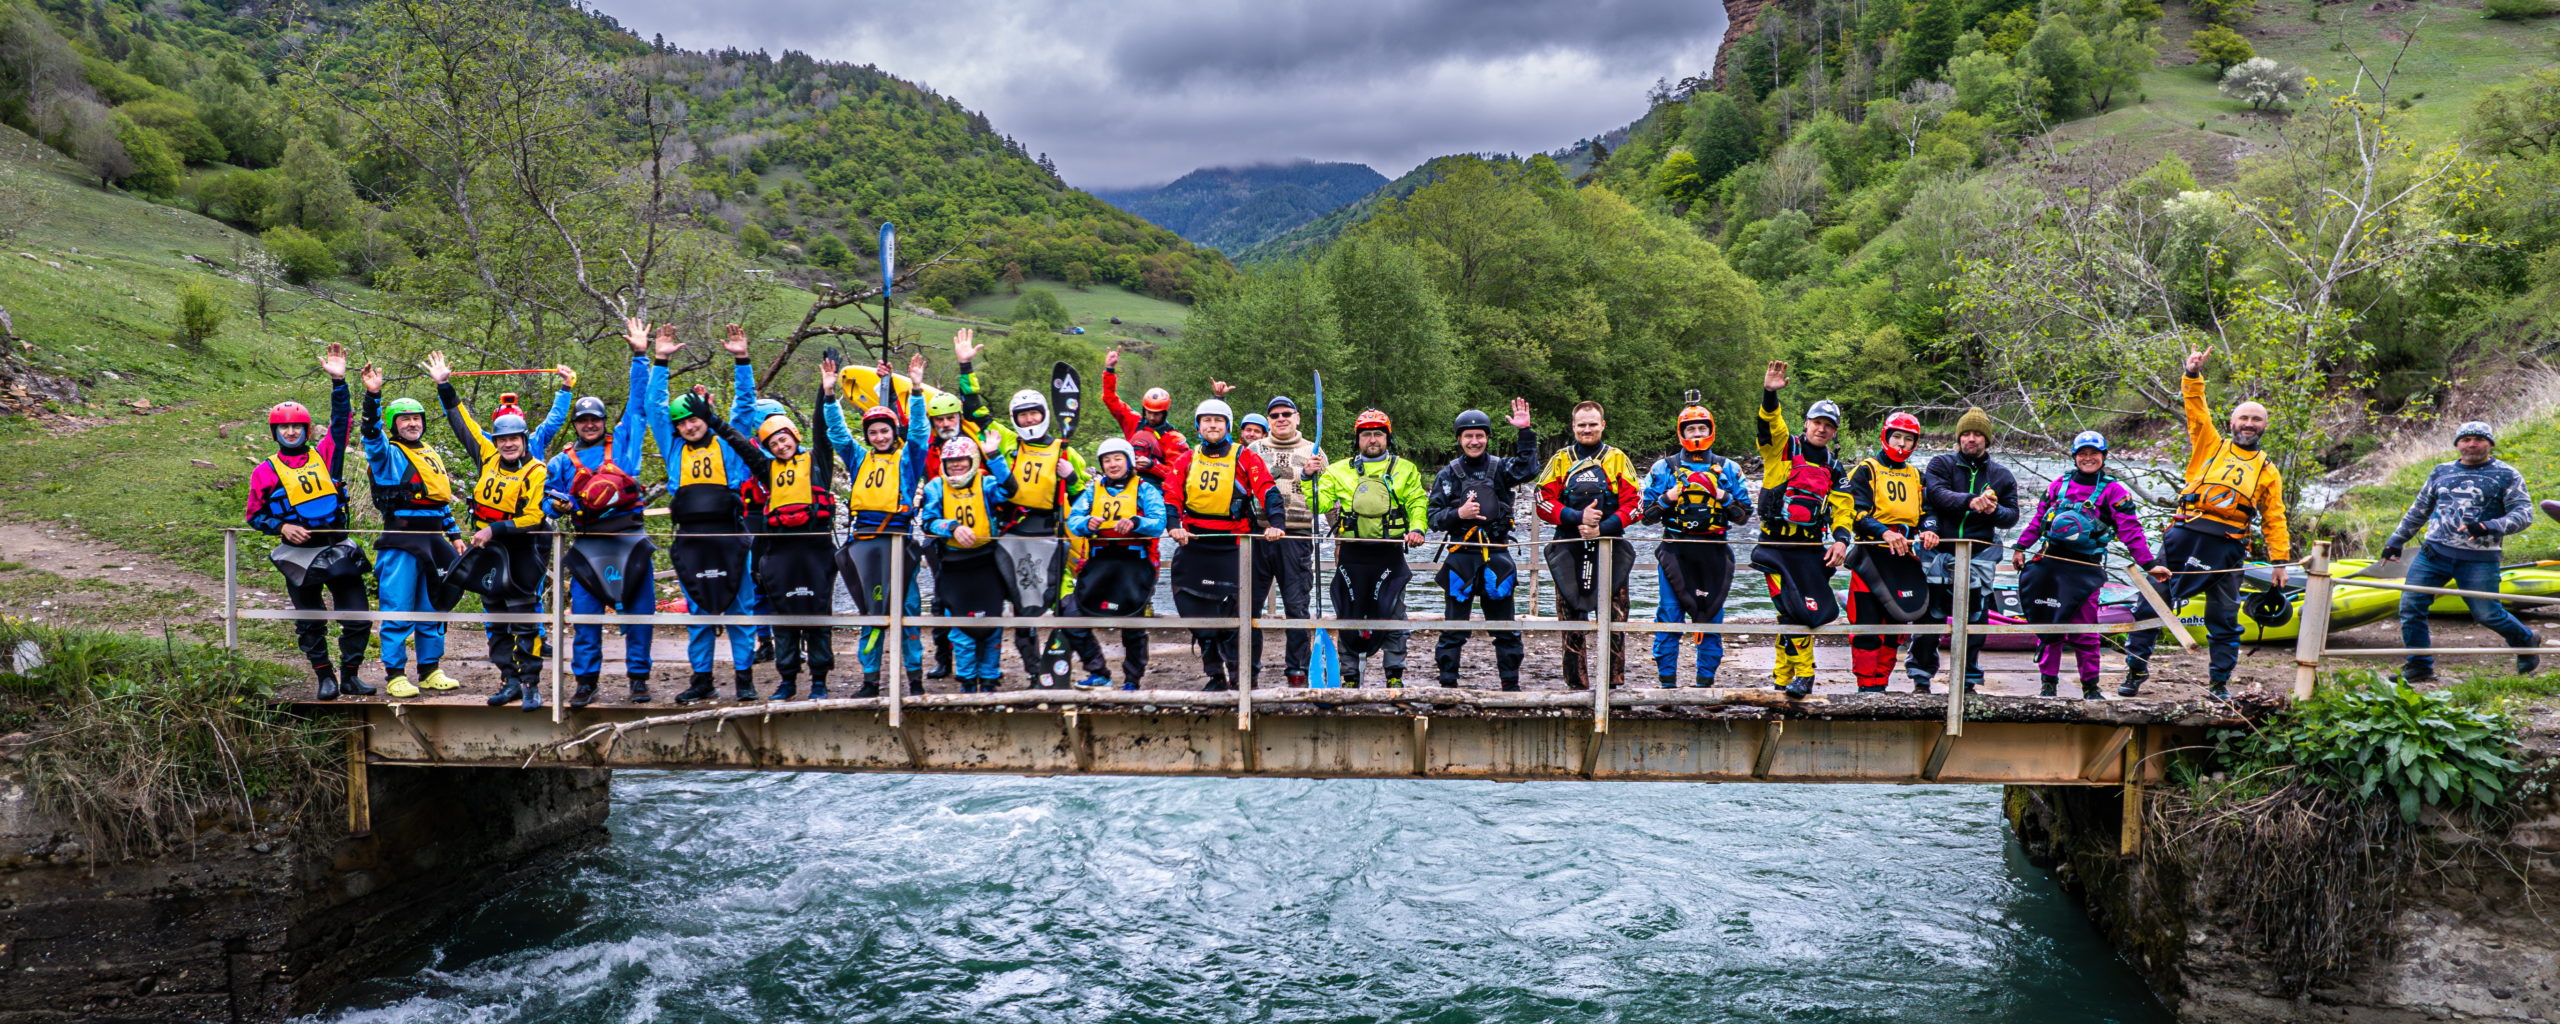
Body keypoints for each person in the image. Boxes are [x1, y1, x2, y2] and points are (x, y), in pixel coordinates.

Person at [2120, 345, 2290, 700]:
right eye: (2243, 418)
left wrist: (2279, 561)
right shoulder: (2209, 444)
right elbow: (2196, 410)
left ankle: (2218, 684)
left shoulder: (2268, 470)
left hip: (2227, 548)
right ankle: (2135, 672)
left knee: (2224, 618)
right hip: (2184, 536)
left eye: (2256, 419)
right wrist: (2192, 374)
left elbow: (2274, 517)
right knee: (2150, 603)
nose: (2248, 424)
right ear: (2232, 422)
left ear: (2265, 426)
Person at [544, 319, 661, 707]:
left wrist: (640, 356)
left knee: (640, 615)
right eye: (583, 420)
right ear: (576, 424)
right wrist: (556, 506)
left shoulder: (625, 440)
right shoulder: (563, 460)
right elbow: (547, 499)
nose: (589, 424)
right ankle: (586, 682)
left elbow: (640, 401)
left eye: (595, 419)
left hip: (631, 540)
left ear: (604, 422)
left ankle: (639, 680)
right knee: (586, 619)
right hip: (589, 546)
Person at [706, 363, 840, 701]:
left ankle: (819, 681)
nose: (780, 446)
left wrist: (826, 391)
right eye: (774, 442)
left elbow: (824, 431)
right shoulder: (767, 470)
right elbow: (739, 444)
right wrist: (712, 420)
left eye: (784, 439)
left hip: (815, 552)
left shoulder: (817, 464)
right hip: (781, 554)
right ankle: (788, 681)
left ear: (794, 437)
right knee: (784, 618)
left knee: (817, 617)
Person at [247, 342, 373, 700]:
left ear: (305, 429)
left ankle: (350, 675)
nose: (290, 433)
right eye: (283, 428)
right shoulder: (265, 472)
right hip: (298, 555)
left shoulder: (325, 456)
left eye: (296, 427)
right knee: (310, 620)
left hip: (336, 549)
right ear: (275, 432)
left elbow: (341, 421)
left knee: (358, 617)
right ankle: (325, 678)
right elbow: (255, 515)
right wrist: (281, 527)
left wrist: (339, 381)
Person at [429, 351, 552, 712]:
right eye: (503, 439)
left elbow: (532, 516)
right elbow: (461, 420)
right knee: (496, 621)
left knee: (524, 622)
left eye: (514, 438)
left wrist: (494, 529)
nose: (508, 444)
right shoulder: (486, 454)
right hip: (488, 555)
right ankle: (508, 681)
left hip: (521, 553)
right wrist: (444, 385)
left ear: (524, 439)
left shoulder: (537, 471)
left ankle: (531, 684)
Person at [648, 332, 762, 705]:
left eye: (693, 420)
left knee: (740, 607)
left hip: (729, 536)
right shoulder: (674, 447)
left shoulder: (726, 444)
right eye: (681, 423)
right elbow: (654, 408)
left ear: (703, 418)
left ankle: (744, 679)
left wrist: (742, 360)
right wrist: (660, 361)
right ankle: (702, 679)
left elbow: (744, 408)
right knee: (698, 608)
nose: (688, 427)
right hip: (692, 542)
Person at [2380, 421, 2539, 682]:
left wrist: (2488, 526)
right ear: (2457, 444)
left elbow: (2524, 514)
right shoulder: (2440, 472)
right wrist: (2396, 540)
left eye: (2479, 439)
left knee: (2487, 614)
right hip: (2433, 555)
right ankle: (2419, 666)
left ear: (2490, 444)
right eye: (2466, 439)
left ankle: (2526, 639)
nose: (2472, 444)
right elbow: (2419, 510)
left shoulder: (2507, 475)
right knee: (2410, 607)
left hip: (2479, 560)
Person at [2014, 431, 2168, 699]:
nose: (2088, 458)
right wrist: (2020, 547)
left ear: (2103, 457)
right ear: (2074, 457)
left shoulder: (2115, 491)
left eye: (2093, 454)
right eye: (2082, 454)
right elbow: (2039, 521)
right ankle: (2048, 686)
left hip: (2086, 570)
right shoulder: (2057, 487)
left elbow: (2131, 530)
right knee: (2050, 629)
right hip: (2050, 565)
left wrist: (2149, 563)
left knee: (2086, 632)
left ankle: (2091, 688)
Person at [825, 351, 934, 697]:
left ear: (892, 432)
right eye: (873, 432)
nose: (879, 436)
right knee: (872, 612)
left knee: (907, 610)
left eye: (884, 430)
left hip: (898, 543)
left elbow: (919, 434)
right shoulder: (859, 460)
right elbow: (839, 435)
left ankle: (914, 680)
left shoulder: (907, 460)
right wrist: (829, 396)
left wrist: (916, 391)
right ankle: (870, 681)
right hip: (866, 543)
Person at [1158, 398, 1286, 690]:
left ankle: (1242, 679)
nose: (1212, 425)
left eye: (1218, 421)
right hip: (1195, 542)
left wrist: (1277, 524)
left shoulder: (1245, 457)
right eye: (1206, 421)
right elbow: (1171, 495)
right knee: (1193, 609)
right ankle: (1215, 675)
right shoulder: (1186, 459)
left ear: (1227, 426)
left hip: (1233, 545)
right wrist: (1174, 526)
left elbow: (1267, 489)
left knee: (1232, 615)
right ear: (1198, 426)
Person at [359, 358, 464, 700]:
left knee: (433, 607)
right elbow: (371, 435)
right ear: (394, 424)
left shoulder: (430, 453)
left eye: (417, 418)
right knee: (399, 607)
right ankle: (395, 675)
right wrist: (373, 397)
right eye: (405, 418)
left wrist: (456, 535)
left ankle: (430, 670)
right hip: (402, 541)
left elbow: (440, 499)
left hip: (434, 541)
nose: (412, 423)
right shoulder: (387, 453)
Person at [1751, 361, 1855, 698]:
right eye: (1817, 422)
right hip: (1775, 548)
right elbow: (1770, 423)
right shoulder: (1782, 448)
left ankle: (1782, 678)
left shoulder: (1835, 467)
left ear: (1834, 431)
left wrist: (1841, 541)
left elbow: (1843, 509)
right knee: (1792, 609)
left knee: (1793, 613)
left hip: (1811, 550)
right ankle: (1805, 675)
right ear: (1806, 423)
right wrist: (1769, 393)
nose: (1821, 430)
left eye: (1829, 426)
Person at [986, 383, 1096, 689]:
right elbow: (977, 415)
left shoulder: (1066, 451)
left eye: (1034, 414)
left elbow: (1083, 499)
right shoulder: (1010, 444)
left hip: (1053, 538)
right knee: (1024, 613)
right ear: (1015, 419)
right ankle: (1035, 674)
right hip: (1017, 536)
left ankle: (1096, 669)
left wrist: (1071, 477)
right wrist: (966, 368)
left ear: (1044, 415)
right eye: (1023, 417)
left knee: (1069, 609)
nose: (1029, 421)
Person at [1639, 398, 1751, 689]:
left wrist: (1722, 497)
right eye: (1692, 430)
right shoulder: (1663, 468)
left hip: (1713, 552)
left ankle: (1705, 686)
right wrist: (1668, 497)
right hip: (1676, 551)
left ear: (1711, 430)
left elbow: (1743, 516)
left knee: (1712, 618)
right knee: (1669, 616)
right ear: (1682, 433)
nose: (1697, 434)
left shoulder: (1729, 468)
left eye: (1702, 428)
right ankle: (1667, 686)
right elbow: (1647, 517)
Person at [1313, 409, 1429, 687]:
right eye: (1367, 434)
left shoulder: (1405, 469)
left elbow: (1417, 502)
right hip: (1352, 554)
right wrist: (1310, 479)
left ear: (1388, 438)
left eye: (1378, 434)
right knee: (1348, 611)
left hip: (1389, 554)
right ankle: (1350, 676)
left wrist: (1417, 528)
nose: (1373, 439)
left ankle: (1394, 675)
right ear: (1358, 439)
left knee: (1394, 613)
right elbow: (1319, 504)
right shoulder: (1338, 470)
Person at [1429, 401, 1539, 690]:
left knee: (1505, 629)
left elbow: (1529, 469)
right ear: (1459, 439)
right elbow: (1433, 519)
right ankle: (1448, 684)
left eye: (1480, 435)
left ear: (1487, 438)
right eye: (1468, 436)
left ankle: (1510, 684)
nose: (1474, 441)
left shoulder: (1501, 468)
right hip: (1460, 558)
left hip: (1497, 557)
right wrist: (1458, 514)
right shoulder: (1448, 475)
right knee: (1454, 629)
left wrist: (1525, 432)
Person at [1909, 407, 2019, 693]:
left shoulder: (2002, 475)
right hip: (1937, 553)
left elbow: (2012, 516)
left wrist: (1994, 510)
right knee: (1929, 617)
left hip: (1978, 557)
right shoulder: (1940, 464)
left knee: (1975, 620)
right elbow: (1936, 496)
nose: (1971, 439)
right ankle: (1921, 678)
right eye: (1966, 434)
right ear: (1959, 438)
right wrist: (1971, 501)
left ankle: (1967, 681)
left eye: (1978, 434)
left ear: (1987, 440)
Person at [1536, 401, 1642, 691]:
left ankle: (1612, 683)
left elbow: (1636, 504)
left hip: (1610, 544)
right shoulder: (1561, 459)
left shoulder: (1618, 459)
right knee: (1571, 616)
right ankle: (1576, 684)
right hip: (1569, 544)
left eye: (1592, 424)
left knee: (1616, 616)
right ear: (1573, 427)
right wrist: (1576, 517)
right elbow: (1542, 500)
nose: (1587, 429)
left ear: (1602, 425)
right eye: (1581, 424)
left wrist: (1601, 527)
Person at [1065, 437, 1168, 689]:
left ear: (1128, 461)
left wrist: (1135, 522)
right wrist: (1085, 523)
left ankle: (1132, 679)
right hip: (1100, 562)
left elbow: (1158, 521)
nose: (1112, 464)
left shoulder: (1144, 489)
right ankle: (1098, 672)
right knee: (1070, 614)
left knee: (1132, 624)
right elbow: (1074, 519)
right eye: (1107, 460)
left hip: (1134, 563)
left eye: (1118, 459)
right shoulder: (1093, 489)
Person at [917, 436, 1017, 692]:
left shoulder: (987, 484)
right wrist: (951, 527)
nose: (956, 467)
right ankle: (967, 682)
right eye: (951, 463)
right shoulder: (935, 488)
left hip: (986, 564)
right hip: (953, 566)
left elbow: (1010, 490)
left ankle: (989, 679)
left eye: (961, 461)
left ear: (972, 461)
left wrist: (994, 456)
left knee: (991, 626)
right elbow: (927, 522)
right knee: (961, 630)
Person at [1844, 412, 1933, 693]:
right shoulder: (1866, 470)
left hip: (1903, 558)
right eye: (1897, 437)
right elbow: (1855, 512)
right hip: (1871, 555)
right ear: (1885, 436)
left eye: (1908, 439)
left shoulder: (1917, 475)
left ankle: (1880, 684)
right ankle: (1866, 686)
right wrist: (1884, 531)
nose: (1902, 444)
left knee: (1895, 627)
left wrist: (1929, 530)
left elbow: (1927, 514)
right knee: (1866, 627)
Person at [1247, 395, 1327, 687]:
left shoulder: (1314, 452)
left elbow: (1327, 498)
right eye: (1275, 415)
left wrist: (1337, 535)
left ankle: (1297, 671)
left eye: (1286, 414)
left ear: (1297, 418)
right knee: (1250, 606)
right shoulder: (1253, 450)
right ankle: (1249, 670)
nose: (1281, 419)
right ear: (1268, 421)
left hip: (1297, 534)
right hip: (1258, 534)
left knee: (1296, 606)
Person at [1099, 348, 1193, 487]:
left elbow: (1177, 473)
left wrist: (1152, 465)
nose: (1152, 417)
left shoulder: (1174, 438)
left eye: (1157, 413)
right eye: (1149, 412)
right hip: (1127, 482)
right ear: (1144, 410)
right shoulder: (1133, 421)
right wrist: (1109, 369)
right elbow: (1110, 399)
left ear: (1164, 413)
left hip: (1156, 487)